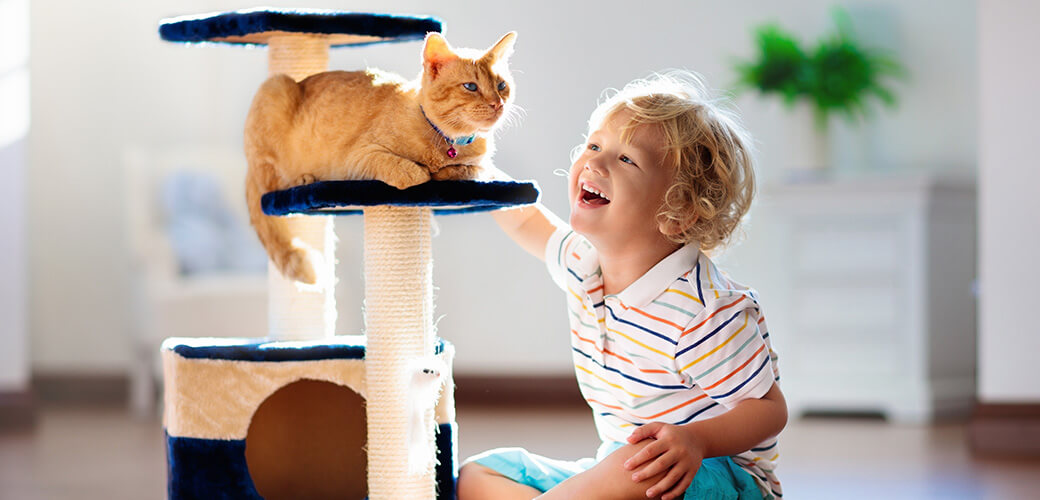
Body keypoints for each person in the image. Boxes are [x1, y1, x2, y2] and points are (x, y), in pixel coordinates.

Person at [458, 71, 786, 500]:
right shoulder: (583, 261)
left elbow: (768, 411)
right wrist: (469, 166)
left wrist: (697, 441)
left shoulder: (705, 312)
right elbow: (524, 219)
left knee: (639, 465)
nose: (594, 162)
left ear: (679, 210)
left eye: (626, 159)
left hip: (715, 479)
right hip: (620, 467)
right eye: (594, 145)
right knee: (478, 474)